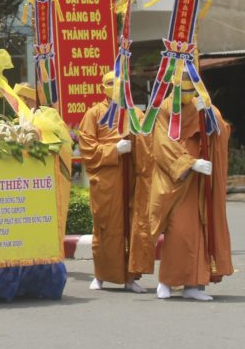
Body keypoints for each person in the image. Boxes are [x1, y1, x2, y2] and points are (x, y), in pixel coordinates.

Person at [149, 80, 233, 300]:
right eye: (182, 90)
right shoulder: (165, 108)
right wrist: (189, 163)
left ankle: (193, 285)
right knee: (179, 232)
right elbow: (161, 144)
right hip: (178, 178)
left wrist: (210, 115)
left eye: (190, 90)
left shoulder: (201, 104)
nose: (187, 94)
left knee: (199, 232)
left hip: (200, 180)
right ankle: (166, 281)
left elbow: (221, 131)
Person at [77, 71, 153, 292]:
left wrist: (136, 140)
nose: (115, 88)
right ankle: (100, 275)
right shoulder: (93, 114)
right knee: (105, 227)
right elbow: (87, 147)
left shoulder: (135, 113)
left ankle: (130, 278)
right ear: (103, 88)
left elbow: (148, 136)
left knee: (132, 226)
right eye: (110, 84)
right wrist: (114, 150)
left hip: (130, 178)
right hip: (107, 181)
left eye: (119, 84)